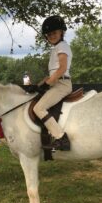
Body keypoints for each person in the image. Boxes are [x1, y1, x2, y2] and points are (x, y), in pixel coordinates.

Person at [32, 15, 72, 151]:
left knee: (38, 108)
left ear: (62, 32)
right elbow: (52, 73)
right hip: (56, 83)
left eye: (54, 32)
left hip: (62, 84)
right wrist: (40, 84)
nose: (51, 36)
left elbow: (62, 69)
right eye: (49, 34)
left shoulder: (62, 46)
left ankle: (62, 138)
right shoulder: (57, 48)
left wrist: (48, 84)